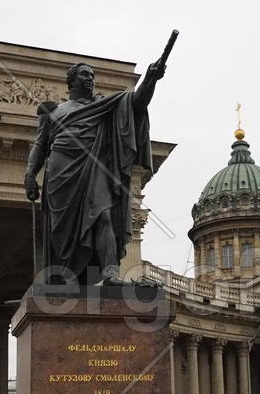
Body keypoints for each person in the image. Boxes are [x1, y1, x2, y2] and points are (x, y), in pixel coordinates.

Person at [24, 59, 166, 285]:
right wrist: (30, 175)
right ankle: (64, 274)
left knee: (104, 215)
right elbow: (40, 145)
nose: (90, 78)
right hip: (62, 172)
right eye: (84, 75)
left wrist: (151, 80)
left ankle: (110, 272)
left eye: (92, 75)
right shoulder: (53, 111)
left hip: (95, 167)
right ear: (71, 81)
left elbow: (137, 103)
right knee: (62, 233)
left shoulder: (104, 107)